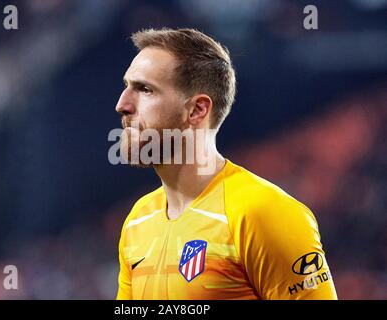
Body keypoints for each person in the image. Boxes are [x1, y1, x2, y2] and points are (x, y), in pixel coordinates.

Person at [114, 28, 337, 300]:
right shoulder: (138, 220)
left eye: (145, 90)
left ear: (197, 110)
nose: (122, 104)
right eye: (127, 87)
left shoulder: (262, 213)